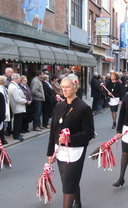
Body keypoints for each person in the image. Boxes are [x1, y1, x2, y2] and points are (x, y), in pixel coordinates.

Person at [47, 74, 94, 208]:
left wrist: (70, 138)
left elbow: (89, 133)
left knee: (68, 183)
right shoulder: (59, 106)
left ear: (75, 88)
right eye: (62, 87)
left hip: (75, 150)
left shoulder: (83, 108)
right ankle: (78, 202)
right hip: (60, 150)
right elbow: (53, 131)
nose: (64, 90)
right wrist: (50, 152)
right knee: (68, 180)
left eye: (67, 87)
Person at [8, 73, 31, 141]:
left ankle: (17, 133)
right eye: (19, 78)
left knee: (18, 121)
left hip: (19, 106)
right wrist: (25, 101)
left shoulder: (15, 86)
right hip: (17, 106)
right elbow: (17, 99)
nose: (20, 79)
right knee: (17, 121)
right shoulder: (14, 87)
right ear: (15, 79)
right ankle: (16, 134)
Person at [0, 76, 10, 144]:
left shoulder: (3, 88)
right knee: (2, 125)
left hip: (5, 107)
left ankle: (2, 138)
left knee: (4, 125)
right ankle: (1, 139)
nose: (6, 82)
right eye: (5, 81)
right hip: (2, 108)